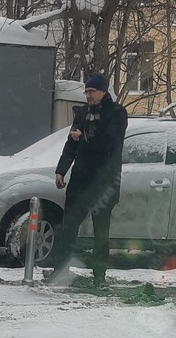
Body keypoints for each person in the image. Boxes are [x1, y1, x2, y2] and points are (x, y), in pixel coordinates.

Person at [51, 71, 128, 285]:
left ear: (103, 91)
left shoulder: (117, 113)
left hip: (105, 182)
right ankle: (60, 268)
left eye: (92, 91)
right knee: (69, 227)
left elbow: (109, 143)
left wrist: (83, 136)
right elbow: (71, 144)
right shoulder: (83, 113)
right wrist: (61, 170)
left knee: (101, 232)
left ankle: (99, 275)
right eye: (86, 91)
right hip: (80, 181)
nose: (88, 95)